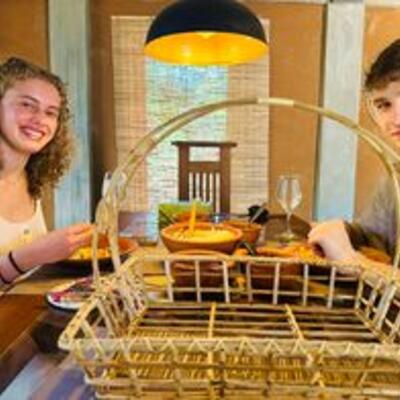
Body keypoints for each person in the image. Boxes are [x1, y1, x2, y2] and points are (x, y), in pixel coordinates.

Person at [0, 57, 92, 286]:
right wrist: (27, 258)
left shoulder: (29, 179)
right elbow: (26, 260)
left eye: (51, 113)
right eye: (27, 105)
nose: (40, 120)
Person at [308, 39, 400, 265]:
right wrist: (343, 231)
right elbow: (374, 238)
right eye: (384, 105)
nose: (396, 120)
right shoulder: (395, 175)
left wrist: (349, 259)